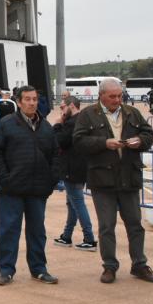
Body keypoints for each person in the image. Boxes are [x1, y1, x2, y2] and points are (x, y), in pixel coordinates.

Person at [73, 77, 153, 284]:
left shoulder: (132, 112)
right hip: (102, 179)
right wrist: (104, 143)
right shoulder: (87, 115)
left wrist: (140, 141)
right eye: (112, 96)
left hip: (129, 177)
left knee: (135, 225)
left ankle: (139, 264)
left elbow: (148, 134)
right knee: (106, 226)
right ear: (101, 95)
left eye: (119, 96)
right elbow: (78, 141)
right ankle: (109, 266)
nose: (117, 100)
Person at [0, 85, 59, 286]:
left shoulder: (46, 127)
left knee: (37, 231)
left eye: (34, 99)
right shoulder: (7, 123)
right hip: (12, 188)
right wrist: (5, 178)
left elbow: (56, 155)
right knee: (9, 230)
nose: (31, 103)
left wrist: (51, 179)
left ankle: (39, 269)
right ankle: (6, 270)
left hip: (37, 189)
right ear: (19, 102)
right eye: (27, 99)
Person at [52, 96, 96, 251]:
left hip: (72, 167)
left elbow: (59, 141)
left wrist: (58, 125)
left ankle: (89, 238)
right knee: (72, 203)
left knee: (77, 202)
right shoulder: (84, 119)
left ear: (71, 106)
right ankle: (66, 235)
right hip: (80, 165)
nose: (61, 110)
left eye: (63, 107)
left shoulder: (71, 122)